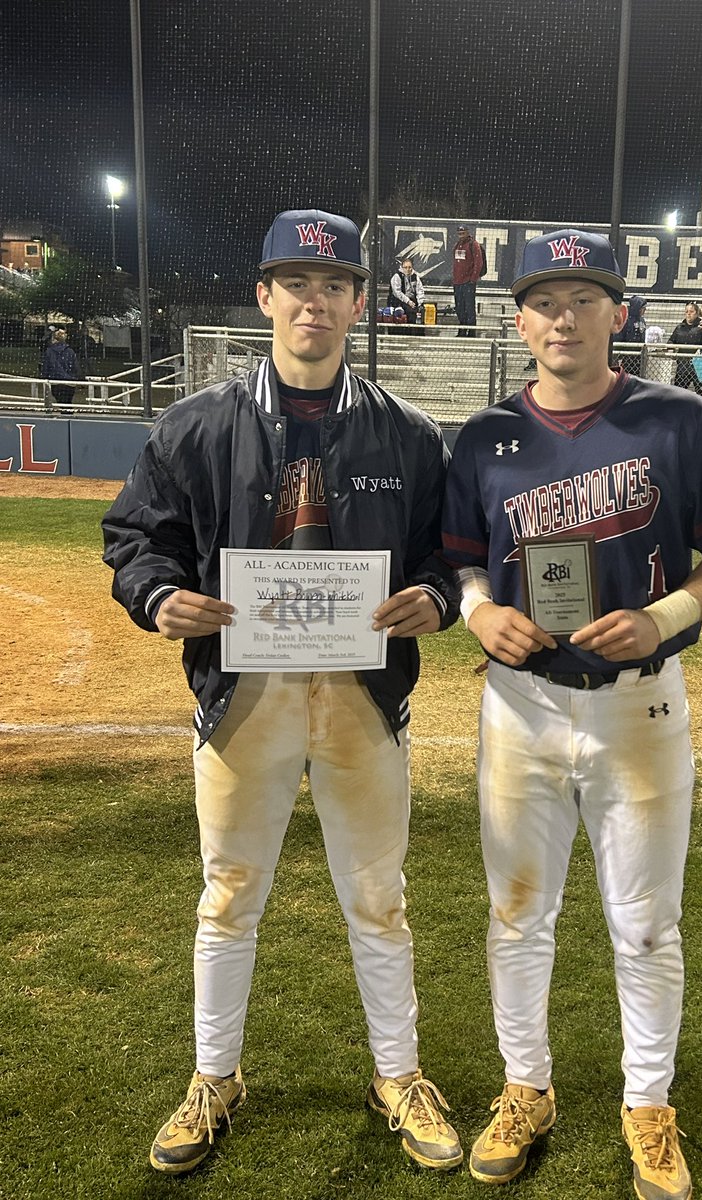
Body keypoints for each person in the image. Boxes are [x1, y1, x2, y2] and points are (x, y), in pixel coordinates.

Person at [102, 208, 463, 1177]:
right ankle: (214, 1077)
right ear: (265, 297)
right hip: (243, 695)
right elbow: (137, 537)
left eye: (334, 283)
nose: (315, 299)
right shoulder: (195, 424)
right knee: (229, 895)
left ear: (356, 302)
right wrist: (158, 594)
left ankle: (398, 1074)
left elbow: (452, 552)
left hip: (363, 696)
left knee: (379, 898)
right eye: (295, 282)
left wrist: (437, 595)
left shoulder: (413, 435)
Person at [441, 228, 702, 1197]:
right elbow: (457, 560)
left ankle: (648, 1106)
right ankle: (525, 1089)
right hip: (521, 710)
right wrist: (479, 610)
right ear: (519, 320)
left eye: (583, 299)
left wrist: (665, 616)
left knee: (648, 927)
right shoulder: (485, 436)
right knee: (516, 917)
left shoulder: (676, 420)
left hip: (640, 708)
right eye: (545, 301)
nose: (563, 318)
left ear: (617, 315)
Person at [668, 301, 702, 396]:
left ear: (697, 313)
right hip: (683, 367)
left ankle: (701, 410)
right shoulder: (680, 327)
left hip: (699, 367)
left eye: (691, 311)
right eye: (686, 311)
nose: (688, 314)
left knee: (701, 395)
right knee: (677, 394)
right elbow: (671, 341)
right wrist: (672, 348)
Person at [452, 224, 484, 337]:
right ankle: (462, 329)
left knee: (469, 307)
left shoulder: (473, 245)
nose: (461, 236)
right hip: (457, 282)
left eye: (463, 233)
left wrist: (473, 279)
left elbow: (478, 263)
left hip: (468, 282)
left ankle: (471, 331)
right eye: (459, 234)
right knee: (459, 307)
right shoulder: (457, 245)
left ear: (468, 232)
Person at [40, 328, 79, 407]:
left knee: (62, 403)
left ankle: (66, 416)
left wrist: (44, 376)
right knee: (67, 402)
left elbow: (46, 366)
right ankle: (68, 416)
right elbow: (75, 367)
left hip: (55, 381)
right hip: (69, 382)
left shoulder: (49, 351)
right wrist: (74, 377)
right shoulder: (70, 351)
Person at [389, 258, 425, 327]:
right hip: (398, 301)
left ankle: (417, 333)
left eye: (409, 267)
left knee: (421, 312)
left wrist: (420, 303)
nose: (408, 269)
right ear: (402, 267)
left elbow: (420, 290)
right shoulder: (397, 276)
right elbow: (397, 293)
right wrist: (408, 301)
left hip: (412, 300)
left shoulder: (415, 276)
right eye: (405, 267)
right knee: (410, 312)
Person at [620, 294, 648, 376]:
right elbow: (620, 336)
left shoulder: (642, 320)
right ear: (638, 308)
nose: (644, 310)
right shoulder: (627, 320)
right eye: (643, 308)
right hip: (627, 357)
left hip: (639, 357)